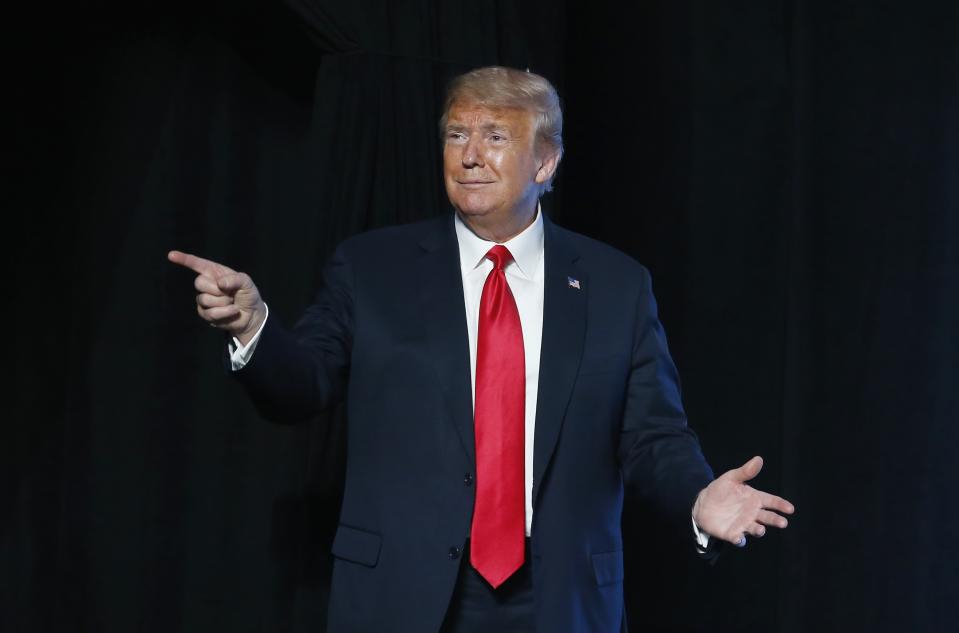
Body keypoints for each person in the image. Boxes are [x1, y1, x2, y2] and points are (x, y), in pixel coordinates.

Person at [169, 66, 794, 633]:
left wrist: (697, 494)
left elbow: (652, 434)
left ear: (545, 162)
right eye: (456, 135)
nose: (470, 156)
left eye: (496, 137)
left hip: (559, 599)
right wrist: (253, 328)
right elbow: (302, 386)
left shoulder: (616, 285)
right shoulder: (372, 267)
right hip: (404, 596)